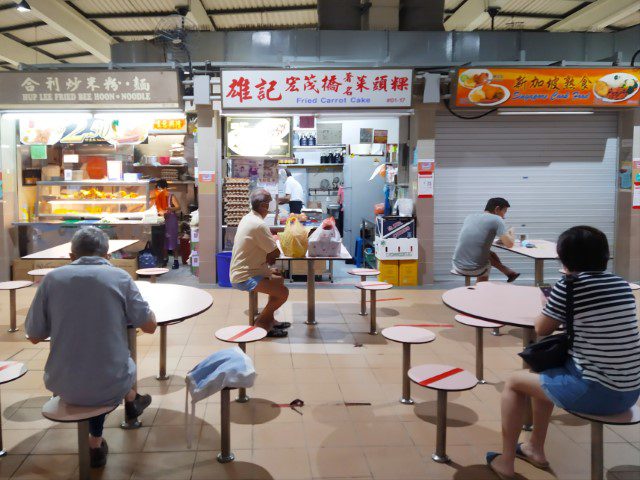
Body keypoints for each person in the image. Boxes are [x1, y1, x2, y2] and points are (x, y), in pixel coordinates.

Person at [486, 226, 640, 479]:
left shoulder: (569, 287)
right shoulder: (621, 284)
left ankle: (506, 462)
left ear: (564, 257)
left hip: (599, 391)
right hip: (631, 389)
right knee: (543, 369)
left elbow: (542, 328)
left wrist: (550, 305)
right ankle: (534, 447)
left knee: (514, 382)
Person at [25, 227, 157, 469]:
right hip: (111, 382)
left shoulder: (51, 280)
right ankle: (96, 443)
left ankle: (132, 402)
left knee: (94, 370)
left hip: (61, 383)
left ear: (70, 256)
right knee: (113, 366)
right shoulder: (120, 278)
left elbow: (34, 335)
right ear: (107, 256)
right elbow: (148, 326)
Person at [230, 188, 290, 338]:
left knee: (278, 279)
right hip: (245, 276)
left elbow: (266, 250)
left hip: (249, 270)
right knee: (283, 293)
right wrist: (274, 244)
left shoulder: (248, 218)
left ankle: (271, 320)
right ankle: (262, 324)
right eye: (268, 205)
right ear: (263, 206)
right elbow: (274, 253)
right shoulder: (258, 224)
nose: (269, 209)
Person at [452, 197, 520, 282]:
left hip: (457, 264)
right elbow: (509, 244)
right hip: (472, 268)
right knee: (487, 261)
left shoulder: (470, 217)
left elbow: (475, 240)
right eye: (504, 212)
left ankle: (509, 272)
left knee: (490, 254)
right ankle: (481, 290)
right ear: (497, 209)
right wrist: (512, 230)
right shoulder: (497, 219)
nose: (504, 216)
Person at [154, 179, 181, 269]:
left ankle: (176, 260)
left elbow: (178, 207)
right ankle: (165, 259)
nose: (159, 191)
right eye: (158, 189)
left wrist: (169, 208)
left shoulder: (171, 196)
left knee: (172, 239)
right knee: (163, 240)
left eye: (160, 189)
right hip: (161, 220)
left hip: (171, 220)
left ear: (165, 188)